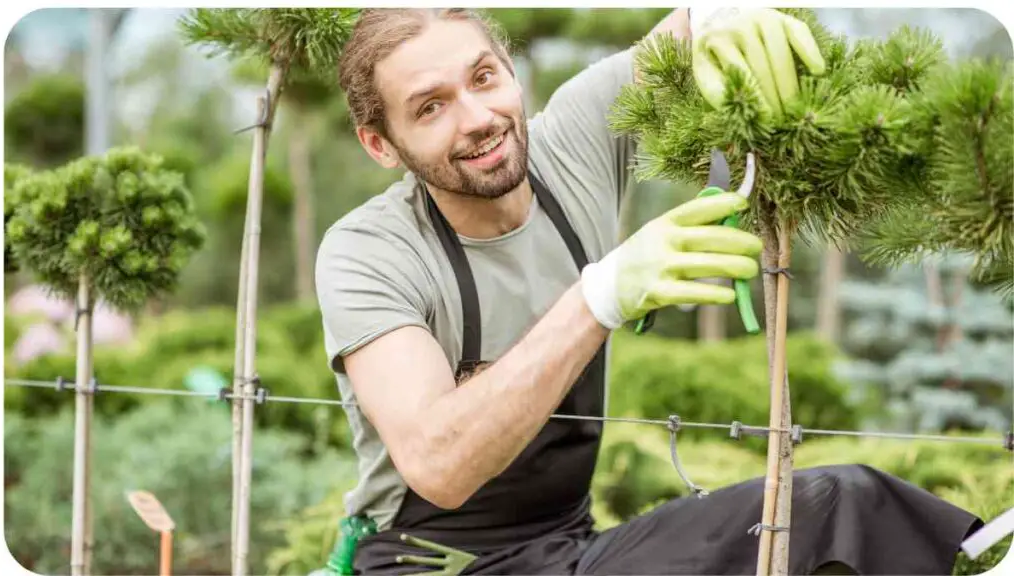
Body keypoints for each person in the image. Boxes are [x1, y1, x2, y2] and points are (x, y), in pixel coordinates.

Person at [317, 8, 982, 575]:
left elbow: (680, 37)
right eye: (431, 107)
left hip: (567, 549)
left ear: (510, 73)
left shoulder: (569, 144)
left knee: (839, 504)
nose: (478, 118)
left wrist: (729, 15)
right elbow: (440, 465)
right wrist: (598, 297)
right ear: (381, 144)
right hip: (431, 561)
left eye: (483, 78)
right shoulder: (368, 253)